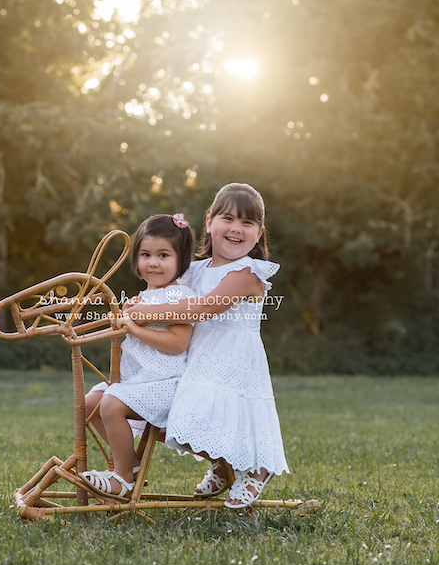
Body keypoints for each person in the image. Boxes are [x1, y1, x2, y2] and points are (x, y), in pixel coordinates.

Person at [123, 183, 288, 508]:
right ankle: (222, 467)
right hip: (196, 354)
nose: (236, 228)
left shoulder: (247, 272)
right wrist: (134, 305)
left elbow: (202, 308)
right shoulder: (193, 269)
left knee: (224, 415)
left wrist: (144, 313)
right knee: (184, 420)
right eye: (228, 218)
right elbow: (168, 293)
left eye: (248, 222)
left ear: (259, 233)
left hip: (232, 358)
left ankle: (256, 468)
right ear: (210, 222)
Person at [79, 213, 197, 501]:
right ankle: (130, 462)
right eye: (145, 254)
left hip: (167, 383)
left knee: (110, 404)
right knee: (90, 404)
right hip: (140, 381)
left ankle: (123, 479)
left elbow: (178, 344)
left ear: (180, 261)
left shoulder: (179, 297)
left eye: (163, 255)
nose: (153, 262)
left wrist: (134, 326)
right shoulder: (144, 296)